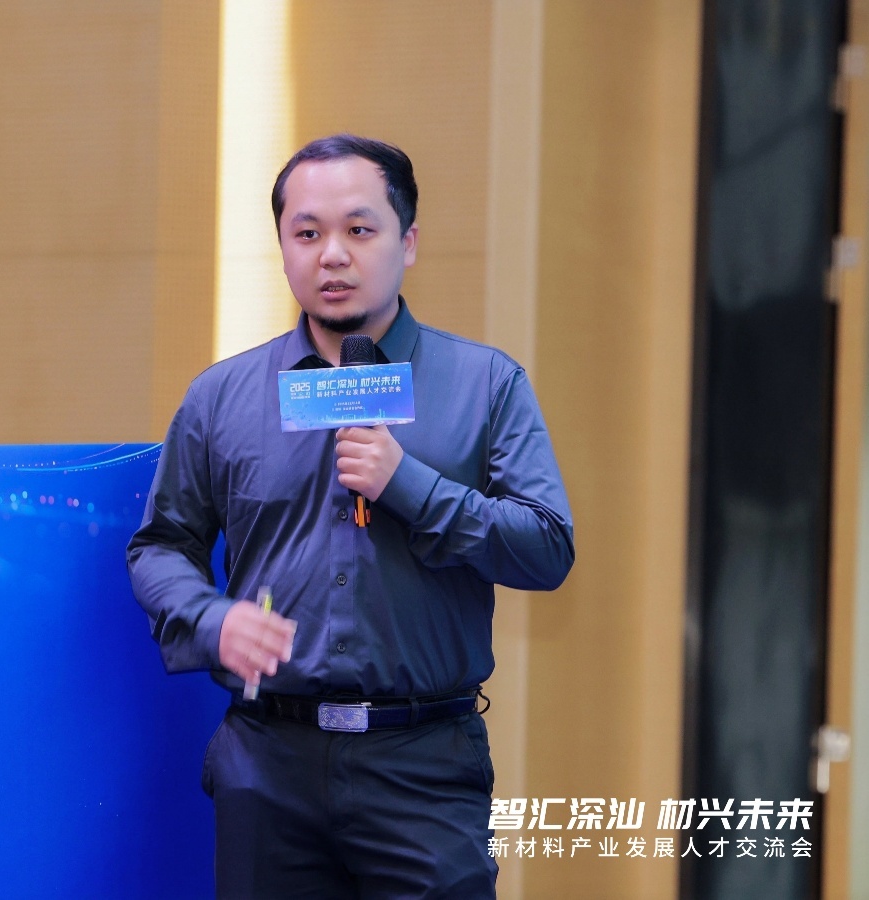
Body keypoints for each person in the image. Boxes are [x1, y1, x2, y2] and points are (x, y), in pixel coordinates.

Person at [127, 134, 574, 898]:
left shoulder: (485, 385)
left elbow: (545, 547)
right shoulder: (221, 397)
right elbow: (160, 545)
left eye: (358, 230)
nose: (331, 254)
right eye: (306, 233)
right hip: (267, 762)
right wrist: (211, 619)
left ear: (408, 242)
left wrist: (410, 485)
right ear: (282, 248)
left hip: (423, 765)